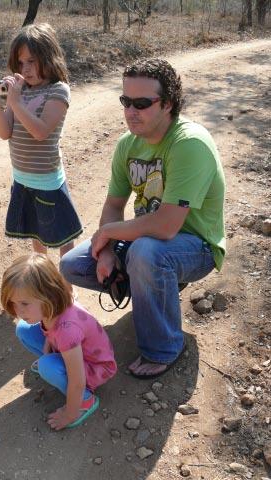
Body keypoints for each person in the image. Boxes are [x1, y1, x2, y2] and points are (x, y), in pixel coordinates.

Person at [60, 58, 226, 379]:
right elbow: (113, 205)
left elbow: (166, 226)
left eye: (142, 103)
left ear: (168, 104)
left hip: (197, 245)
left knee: (145, 253)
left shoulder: (189, 144)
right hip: (148, 241)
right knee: (73, 265)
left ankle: (163, 348)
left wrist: (108, 232)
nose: (131, 111)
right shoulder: (128, 145)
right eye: (126, 101)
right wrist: (106, 248)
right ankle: (151, 286)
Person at [0, 23, 82, 259]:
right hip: (22, 179)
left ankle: (68, 289)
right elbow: (5, 132)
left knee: (62, 238)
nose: (25, 69)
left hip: (48, 181)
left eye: (32, 61)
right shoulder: (21, 91)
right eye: (20, 62)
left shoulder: (58, 90)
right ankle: (43, 283)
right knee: (38, 237)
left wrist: (15, 101)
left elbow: (40, 132)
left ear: (49, 58)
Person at [1, 254, 117, 430]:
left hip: (95, 367)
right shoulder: (53, 306)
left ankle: (85, 401)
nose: (18, 311)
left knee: (47, 366)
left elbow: (77, 380)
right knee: (23, 329)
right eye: (14, 303)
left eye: (24, 303)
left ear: (47, 295)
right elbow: (50, 330)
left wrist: (69, 414)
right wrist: (49, 340)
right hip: (73, 350)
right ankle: (55, 366)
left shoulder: (67, 329)